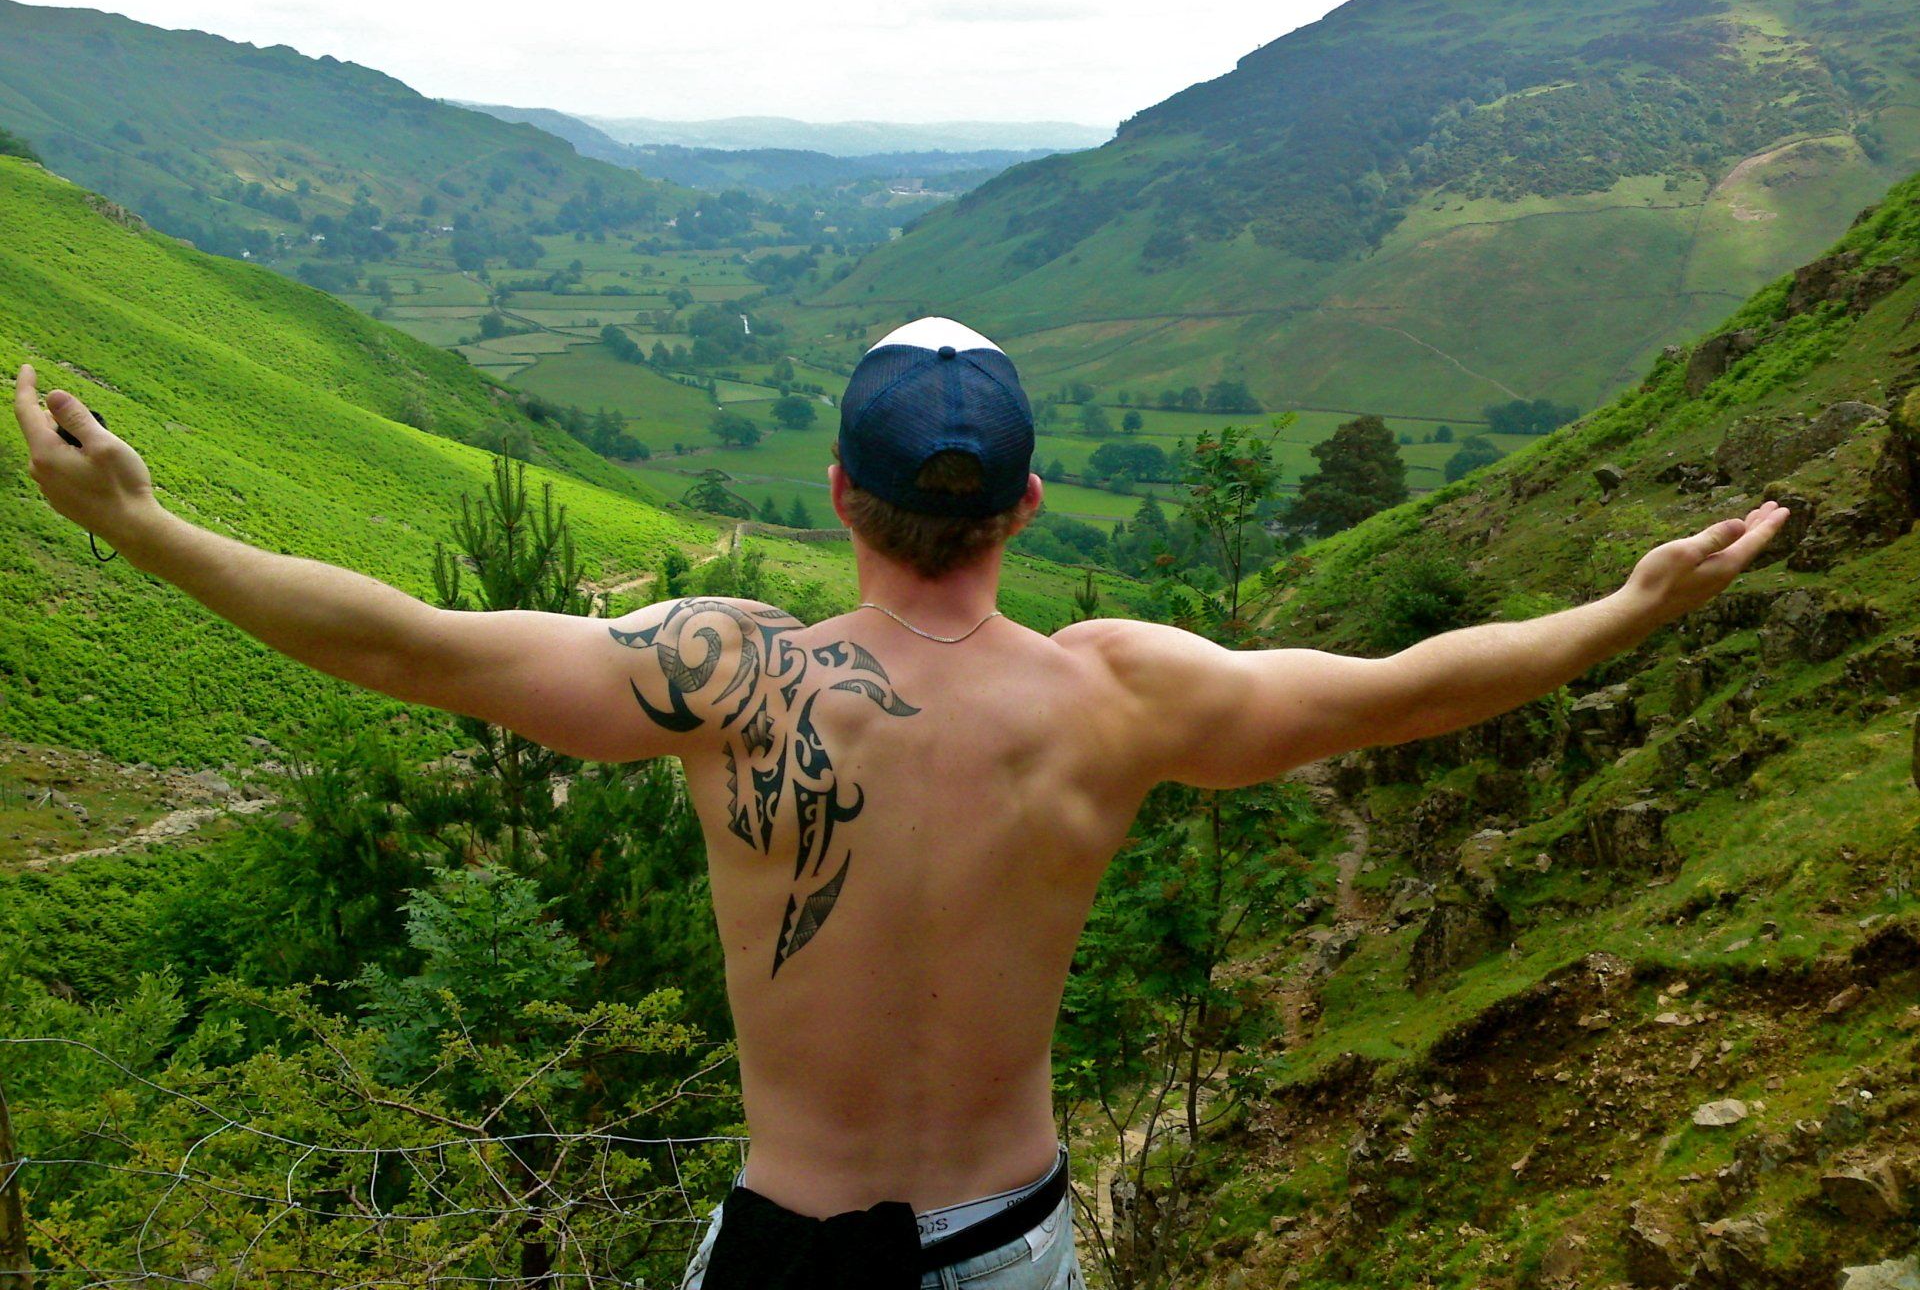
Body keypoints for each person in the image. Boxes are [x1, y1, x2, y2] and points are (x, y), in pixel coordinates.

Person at [12, 320, 1787, 1288]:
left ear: (839, 498)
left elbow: (407, 647)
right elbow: (1410, 689)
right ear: (1025, 506)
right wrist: (1627, 607)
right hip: (1011, 1243)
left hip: (787, 1253)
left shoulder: (729, 673)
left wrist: (146, 529)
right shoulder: (1119, 697)